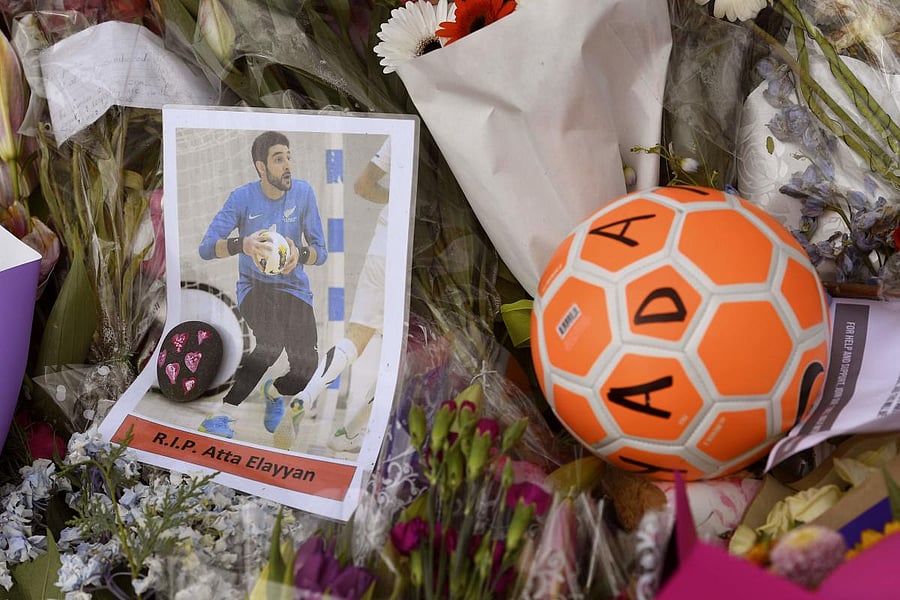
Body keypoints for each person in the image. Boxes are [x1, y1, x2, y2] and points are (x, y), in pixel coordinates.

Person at [197, 131, 327, 439]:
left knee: (306, 368)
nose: (287, 166)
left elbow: (321, 251)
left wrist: (300, 253)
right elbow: (206, 247)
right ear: (261, 166)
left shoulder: (304, 193)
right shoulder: (242, 198)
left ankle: (274, 391)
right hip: (255, 287)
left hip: (295, 289)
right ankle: (222, 416)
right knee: (270, 344)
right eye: (278, 159)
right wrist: (243, 244)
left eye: (288, 157)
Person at [272, 138, 390, 451]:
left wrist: (393, 200)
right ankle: (352, 432)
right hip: (411, 254)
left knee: (356, 337)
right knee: (407, 354)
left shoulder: (395, 141)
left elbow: (363, 185)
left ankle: (305, 397)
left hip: (382, 248)